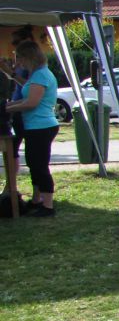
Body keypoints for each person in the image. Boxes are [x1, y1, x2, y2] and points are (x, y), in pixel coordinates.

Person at [2, 40, 59, 217]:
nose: (18, 62)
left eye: (20, 58)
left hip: (42, 126)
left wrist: (6, 109)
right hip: (36, 126)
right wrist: (7, 105)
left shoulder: (41, 75)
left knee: (39, 165)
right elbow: (26, 98)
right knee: (34, 163)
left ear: (29, 57)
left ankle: (48, 206)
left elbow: (32, 103)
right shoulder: (37, 74)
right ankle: (37, 200)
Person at [0, 26, 36, 198]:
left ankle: (35, 194)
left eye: (16, 42)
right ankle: (10, 186)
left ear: (27, 40)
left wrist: (10, 72)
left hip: (26, 112)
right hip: (16, 109)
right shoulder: (21, 62)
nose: (13, 46)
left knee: (32, 155)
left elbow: (29, 87)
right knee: (11, 149)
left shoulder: (33, 66)